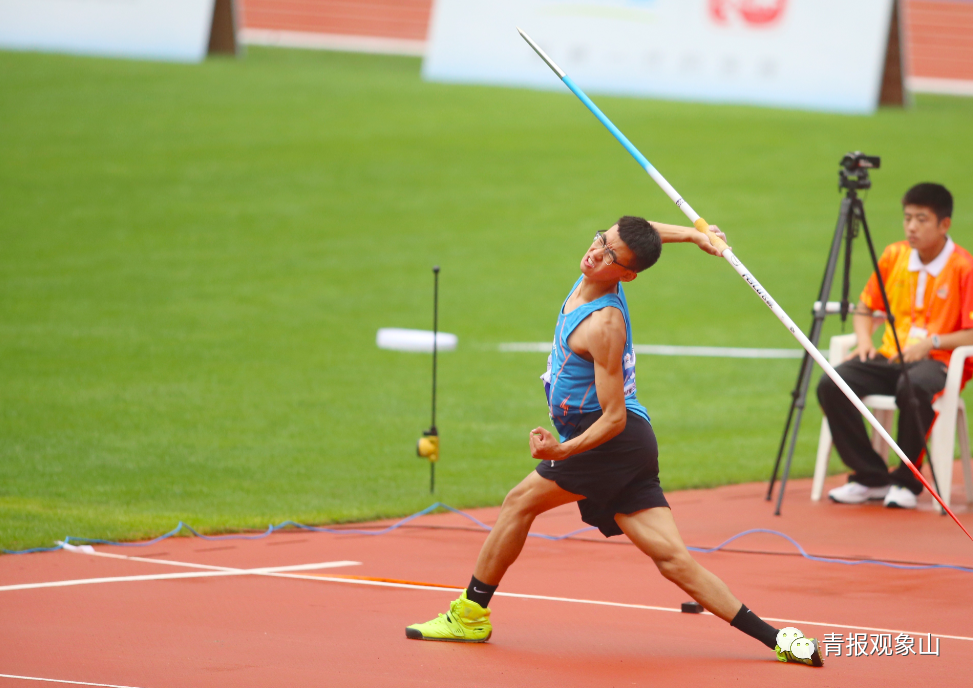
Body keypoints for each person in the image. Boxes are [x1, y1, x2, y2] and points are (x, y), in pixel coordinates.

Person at [405, 216, 823, 667]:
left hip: (609, 442)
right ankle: (779, 639)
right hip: (633, 448)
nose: (595, 253)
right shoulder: (597, 266)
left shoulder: (604, 324)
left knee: (518, 502)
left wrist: (561, 451)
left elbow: (614, 419)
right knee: (673, 560)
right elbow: (641, 231)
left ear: (626, 276)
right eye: (600, 240)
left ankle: (470, 616)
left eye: (609, 256)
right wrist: (697, 235)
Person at [820, 183, 973, 509]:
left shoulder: (964, 268)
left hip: (939, 361)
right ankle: (870, 475)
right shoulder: (894, 255)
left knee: (913, 387)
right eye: (907, 219)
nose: (912, 227)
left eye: (921, 219)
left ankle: (907, 480)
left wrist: (930, 343)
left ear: (944, 224)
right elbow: (865, 307)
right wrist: (863, 341)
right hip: (890, 355)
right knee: (832, 383)